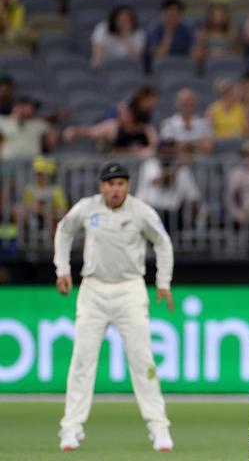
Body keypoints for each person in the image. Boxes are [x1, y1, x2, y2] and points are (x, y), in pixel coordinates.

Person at [54, 162, 174, 452]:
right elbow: (63, 230)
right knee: (82, 360)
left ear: (128, 186)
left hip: (130, 290)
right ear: (101, 186)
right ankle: (70, 428)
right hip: (93, 289)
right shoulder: (87, 207)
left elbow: (163, 242)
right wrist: (62, 270)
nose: (115, 189)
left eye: (120, 183)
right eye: (110, 184)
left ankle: (159, 428)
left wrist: (163, 283)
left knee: (143, 361)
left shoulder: (141, 211)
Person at [64, 86, 159, 156]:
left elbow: (155, 147)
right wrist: (74, 131)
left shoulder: (146, 128)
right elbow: (91, 132)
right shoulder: (113, 126)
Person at [136, 144, 201, 231]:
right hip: (152, 210)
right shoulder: (150, 164)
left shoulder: (183, 170)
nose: (167, 154)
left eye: (171, 150)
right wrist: (175, 169)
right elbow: (155, 181)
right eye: (164, 151)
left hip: (174, 213)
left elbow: (193, 196)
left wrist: (193, 215)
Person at [20, 155, 68, 238]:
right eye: (38, 174)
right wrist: (41, 209)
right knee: (19, 212)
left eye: (43, 174)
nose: (40, 177)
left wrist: (47, 212)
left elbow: (63, 210)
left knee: (53, 220)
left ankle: (55, 247)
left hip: (51, 218)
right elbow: (27, 206)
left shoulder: (56, 190)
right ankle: (20, 243)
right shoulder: (29, 189)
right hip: (33, 218)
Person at [159, 87, 213, 153]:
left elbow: (208, 147)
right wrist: (197, 145)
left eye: (190, 99)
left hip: (202, 162)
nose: (187, 103)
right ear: (177, 103)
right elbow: (167, 148)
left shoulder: (204, 123)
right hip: (175, 162)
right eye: (184, 100)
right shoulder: (168, 124)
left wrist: (180, 145)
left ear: (195, 102)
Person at [191, 3, 239, 68]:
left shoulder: (232, 32)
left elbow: (237, 54)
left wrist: (224, 54)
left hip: (227, 64)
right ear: (210, 16)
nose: (218, 17)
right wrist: (209, 53)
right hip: (208, 65)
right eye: (216, 14)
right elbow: (196, 54)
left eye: (221, 14)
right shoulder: (202, 32)